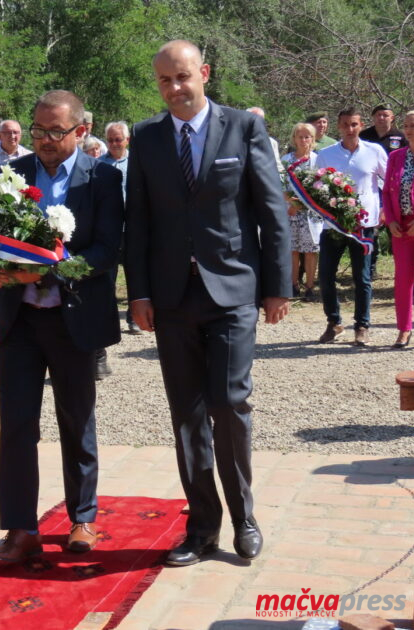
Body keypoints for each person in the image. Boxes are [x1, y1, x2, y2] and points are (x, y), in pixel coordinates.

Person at [125, 40, 291, 566]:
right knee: (188, 416)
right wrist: (140, 293)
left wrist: (277, 285)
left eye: (183, 77)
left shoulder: (243, 128)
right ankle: (202, 528)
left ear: (204, 74)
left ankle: (244, 517)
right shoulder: (147, 138)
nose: (175, 88)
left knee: (229, 404)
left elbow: (270, 209)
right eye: (164, 81)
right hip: (172, 297)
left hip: (233, 291)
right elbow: (139, 221)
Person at [0, 89, 123, 564]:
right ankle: (21, 529)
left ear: (81, 131)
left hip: (74, 319)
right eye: (37, 131)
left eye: (54, 132)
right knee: (18, 426)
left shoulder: (101, 177)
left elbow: (105, 250)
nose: (42, 140)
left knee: (76, 421)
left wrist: (48, 270)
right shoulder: (11, 176)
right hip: (19, 320)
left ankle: (82, 518)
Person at [316, 107, 388, 346]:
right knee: (326, 276)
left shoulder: (374, 151)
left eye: (354, 124)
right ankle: (334, 322)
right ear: (338, 126)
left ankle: (362, 325)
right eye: (345, 125)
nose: (350, 129)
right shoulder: (326, 154)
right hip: (333, 225)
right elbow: (318, 187)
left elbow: (388, 183)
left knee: (363, 277)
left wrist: (385, 210)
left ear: (361, 125)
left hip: (363, 226)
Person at [101, 121, 142, 336]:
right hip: (108, 229)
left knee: (134, 274)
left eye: (119, 139)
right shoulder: (97, 164)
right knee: (107, 276)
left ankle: (134, 319)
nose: (115, 143)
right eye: (111, 140)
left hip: (133, 228)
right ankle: (108, 320)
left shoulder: (138, 162)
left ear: (127, 140)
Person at [382, 110, 414, 348]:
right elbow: (386, 191)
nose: (408, 129)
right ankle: (404, 329)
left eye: (413, 125)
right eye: (406, 125)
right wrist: (391, 220)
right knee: (403, 280)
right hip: (400, 227)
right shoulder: (396, 156)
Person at [360, 104, 404, 279]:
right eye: (378, 115)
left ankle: (401, 268)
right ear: (373, 117)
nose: (382, 118)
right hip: (371, 190)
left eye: (385, 115)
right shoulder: (364, 136)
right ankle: (370, 268)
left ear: (392, 117)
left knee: (395, 229)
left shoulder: (401, 137)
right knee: (372, 228)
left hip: (395, 191)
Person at [281, 123, 323, 301]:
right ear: (294, 138)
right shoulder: (286, 160)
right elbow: (280, 184)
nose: (304, 140)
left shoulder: (318, 160)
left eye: (308, 137)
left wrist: (304, 204)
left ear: (313, 139)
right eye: (300, 136)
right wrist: (291, 202)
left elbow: (321, 186)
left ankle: (310, 286)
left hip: (311, 213)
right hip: (289, 211)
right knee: (292, 249)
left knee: (311, 250)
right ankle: (293, 285)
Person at [247, 107, 283, 172]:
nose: (257, 121)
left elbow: (278, 166)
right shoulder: (237, 140)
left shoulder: (271, 142)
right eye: (254, 118)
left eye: (260, 119)